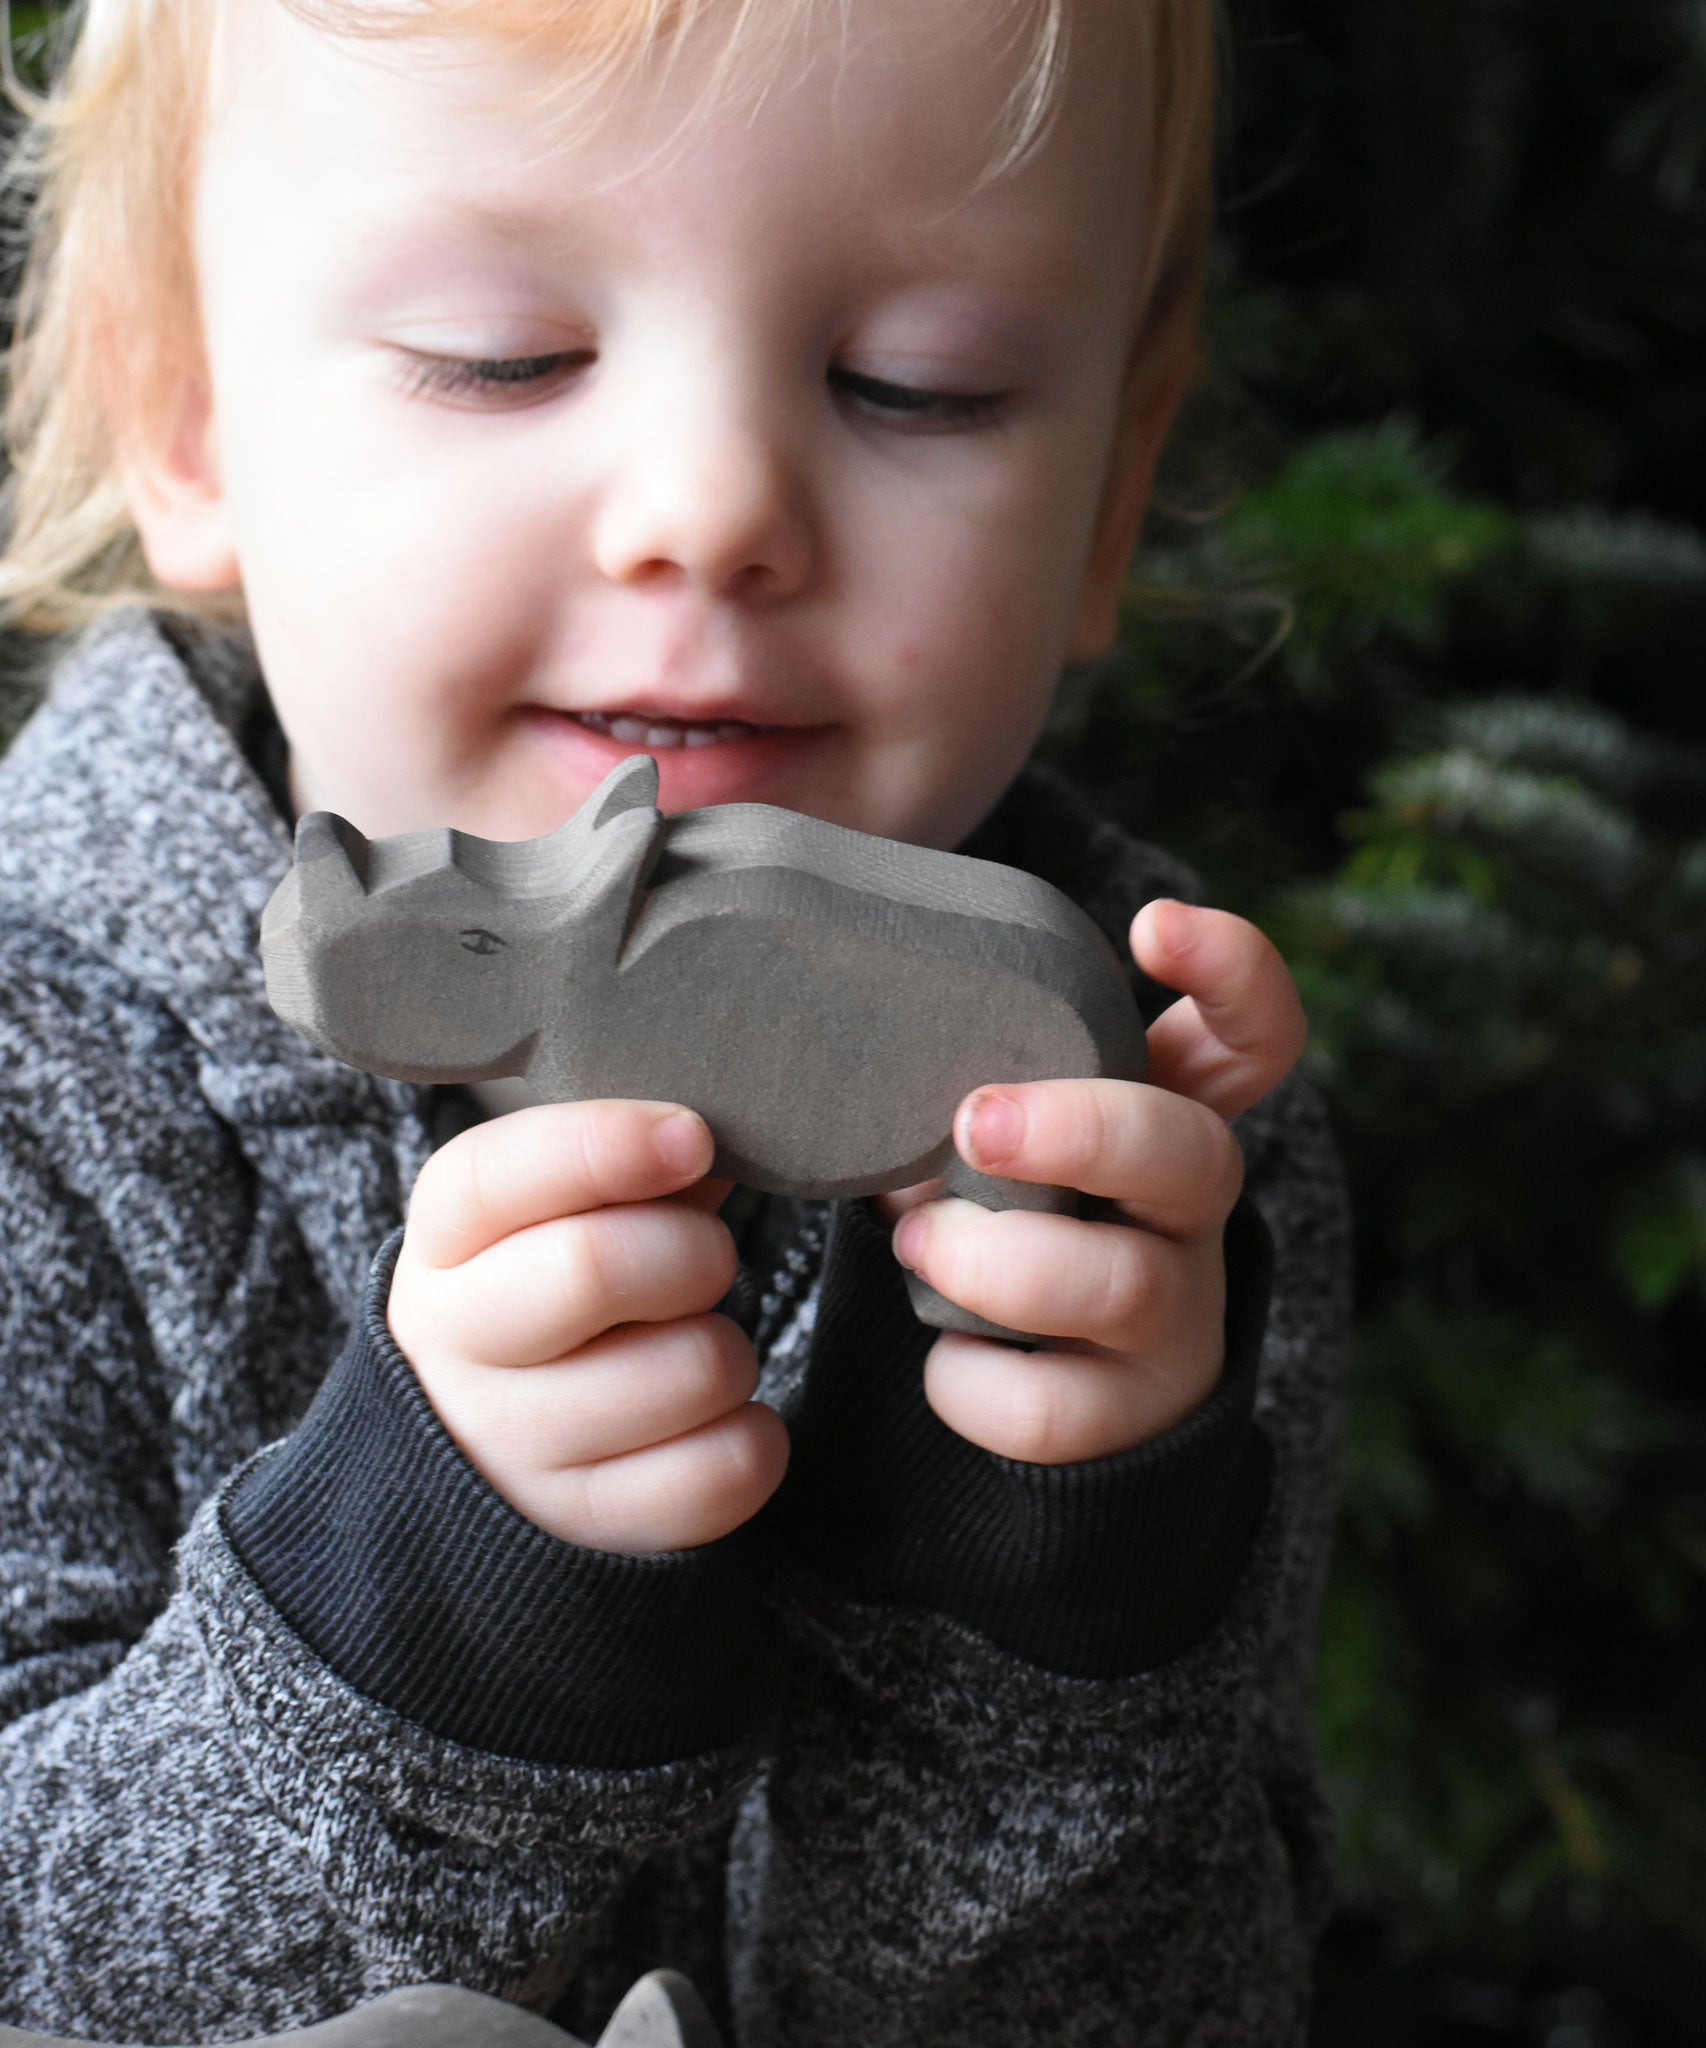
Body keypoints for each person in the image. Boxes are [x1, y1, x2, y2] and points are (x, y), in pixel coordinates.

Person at [0, 0, 1350, 2040]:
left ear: (1106, 492)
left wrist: (1059, 1592)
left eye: (925, 383)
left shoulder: (1150, 1148)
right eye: (502, 355)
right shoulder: (35, 1075)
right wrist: (428, 1621)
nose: (712, 504)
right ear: (182, 413)